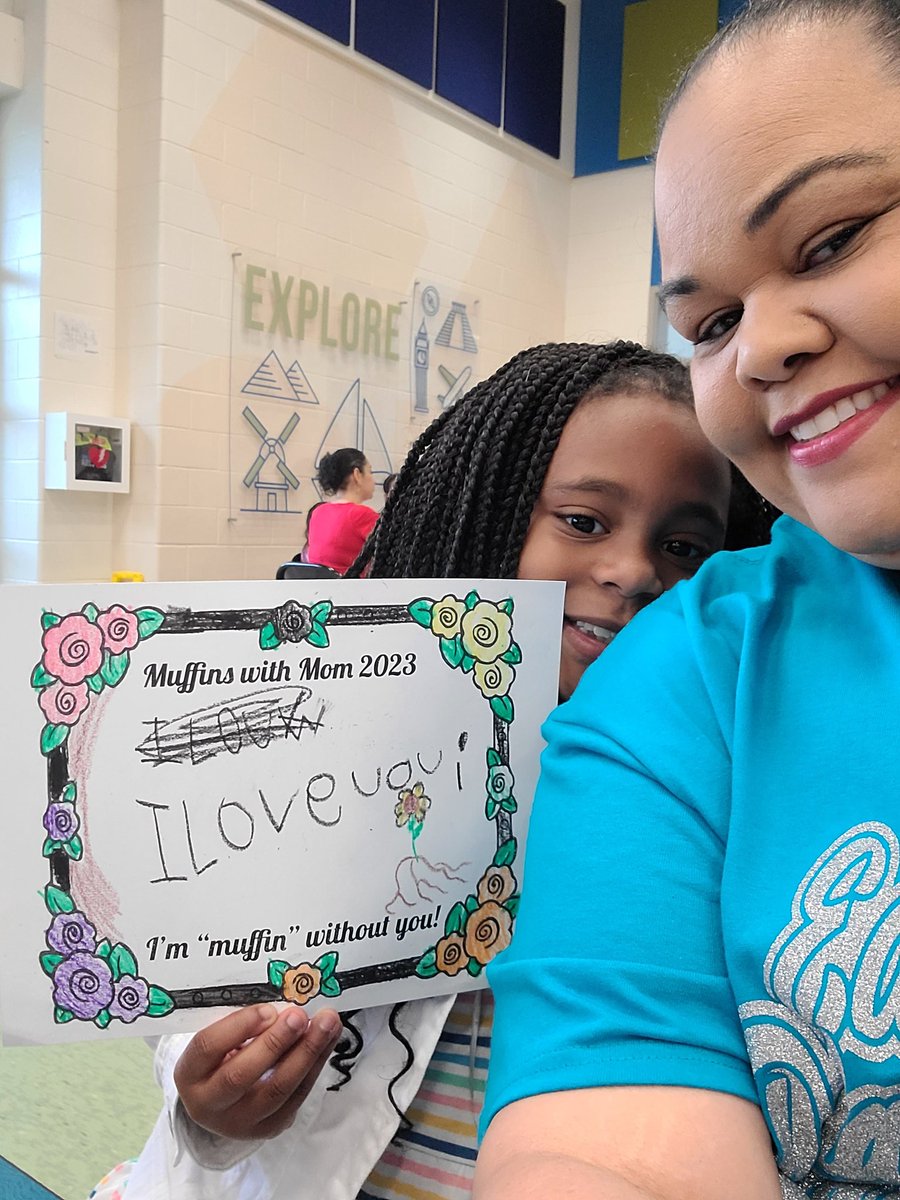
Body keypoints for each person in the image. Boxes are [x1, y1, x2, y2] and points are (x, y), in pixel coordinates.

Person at [93, 341, 773, 1200]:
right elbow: (203, 1031)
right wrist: (213, 1106)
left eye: (683, 545)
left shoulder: (711, 799)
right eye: (583, 521)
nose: (635, 572)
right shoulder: (332, 750)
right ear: (480, 510)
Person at [477, 5, 900, 1200]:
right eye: (710, 322)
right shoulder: (692, 677)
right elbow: (601, 1141)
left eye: (830, 241)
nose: (761, 345)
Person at [305, 448, 378, 574]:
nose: (374, 480)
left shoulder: (318, 512)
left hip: (319, 590)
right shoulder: (362, 515)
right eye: (370, 472)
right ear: (357, 475)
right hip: (352, 590)